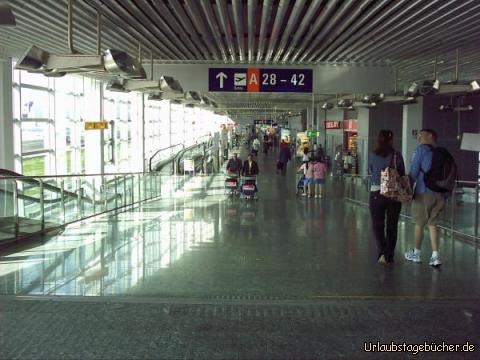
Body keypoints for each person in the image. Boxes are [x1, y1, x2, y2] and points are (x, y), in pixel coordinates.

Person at [405, 128, 444, 267]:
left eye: (422, 135)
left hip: (423, 192)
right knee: (433, 224)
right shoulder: (441, 152)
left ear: (431, 136)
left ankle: (417, 253)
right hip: (439, 193)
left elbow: (414, 171)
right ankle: (435, 256)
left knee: (419, 223)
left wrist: (405, 188)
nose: (419, 138)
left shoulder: (421, 149)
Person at [368, 130, 405, 264]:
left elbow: (371, 170)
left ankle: (382, 253)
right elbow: (402, 173)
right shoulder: (397, 155)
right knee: (392, 226)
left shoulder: (372, 155)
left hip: (377, 192)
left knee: (377, 225)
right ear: (391, 140)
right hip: (393, 193)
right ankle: (389, 255)